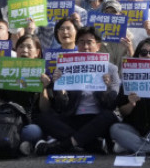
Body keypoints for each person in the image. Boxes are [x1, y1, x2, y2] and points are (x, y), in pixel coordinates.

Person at [36, 26, 120, 154]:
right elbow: (61, 105)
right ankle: (90, 143)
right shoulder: (67, 66)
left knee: (109, 116)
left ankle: (64, 145)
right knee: (43, 118)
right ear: (76, 45)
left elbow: (111, 104)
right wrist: (59, 87)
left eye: (89, 42)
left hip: (97, 117)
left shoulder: (111, 69)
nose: (85, 47)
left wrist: (106, 88)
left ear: (98, 46)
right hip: (74, 116)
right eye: (81, 42)